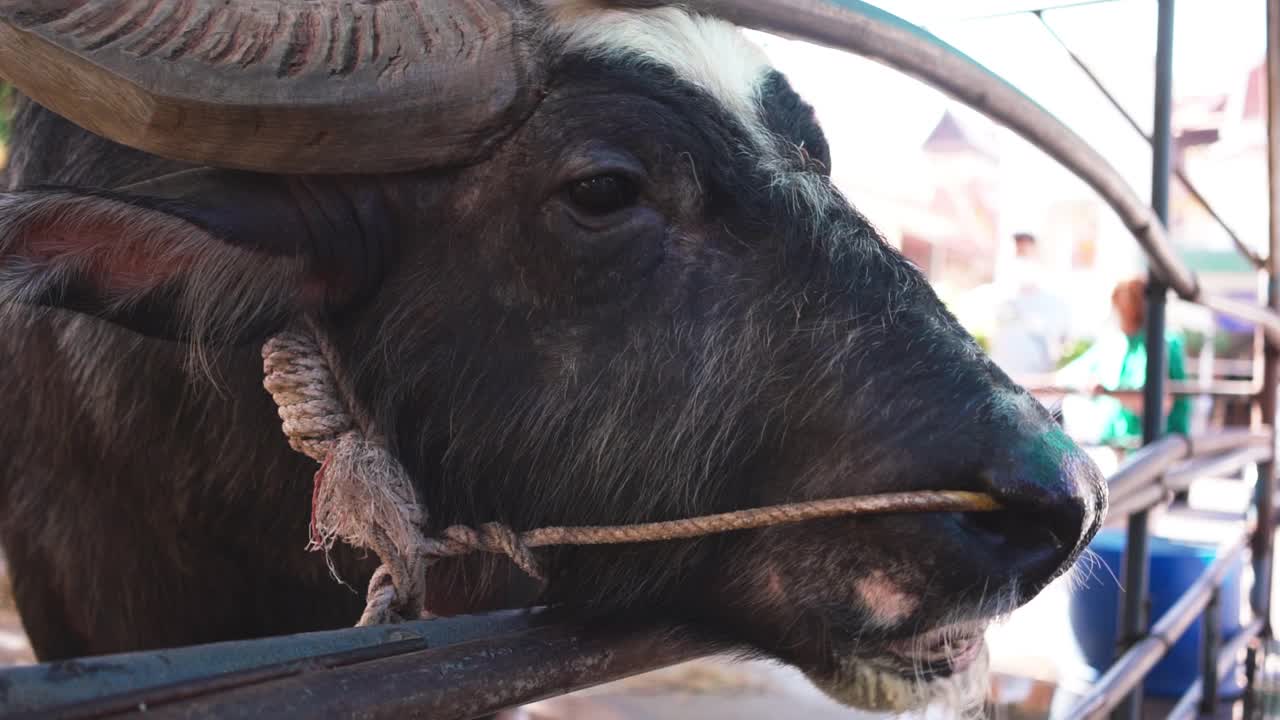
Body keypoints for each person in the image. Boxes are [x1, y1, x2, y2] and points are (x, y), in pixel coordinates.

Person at [1054, 276, 1191, 448]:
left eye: (1127, 303)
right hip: (1120, 445)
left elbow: (1161, 404)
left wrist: (1106, 391)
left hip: (1156, 448)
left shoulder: (1162, 342)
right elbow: (1069, 374)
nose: (1121, 311)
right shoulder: (1116, 342)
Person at [989, 232, 1072, 376]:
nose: (1022, 258)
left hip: (1039, 383)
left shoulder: (1055, 301)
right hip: (1005, 379)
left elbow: (1064, 341)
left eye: (1026, 252)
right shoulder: (1001, 296)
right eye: (1018, 252)